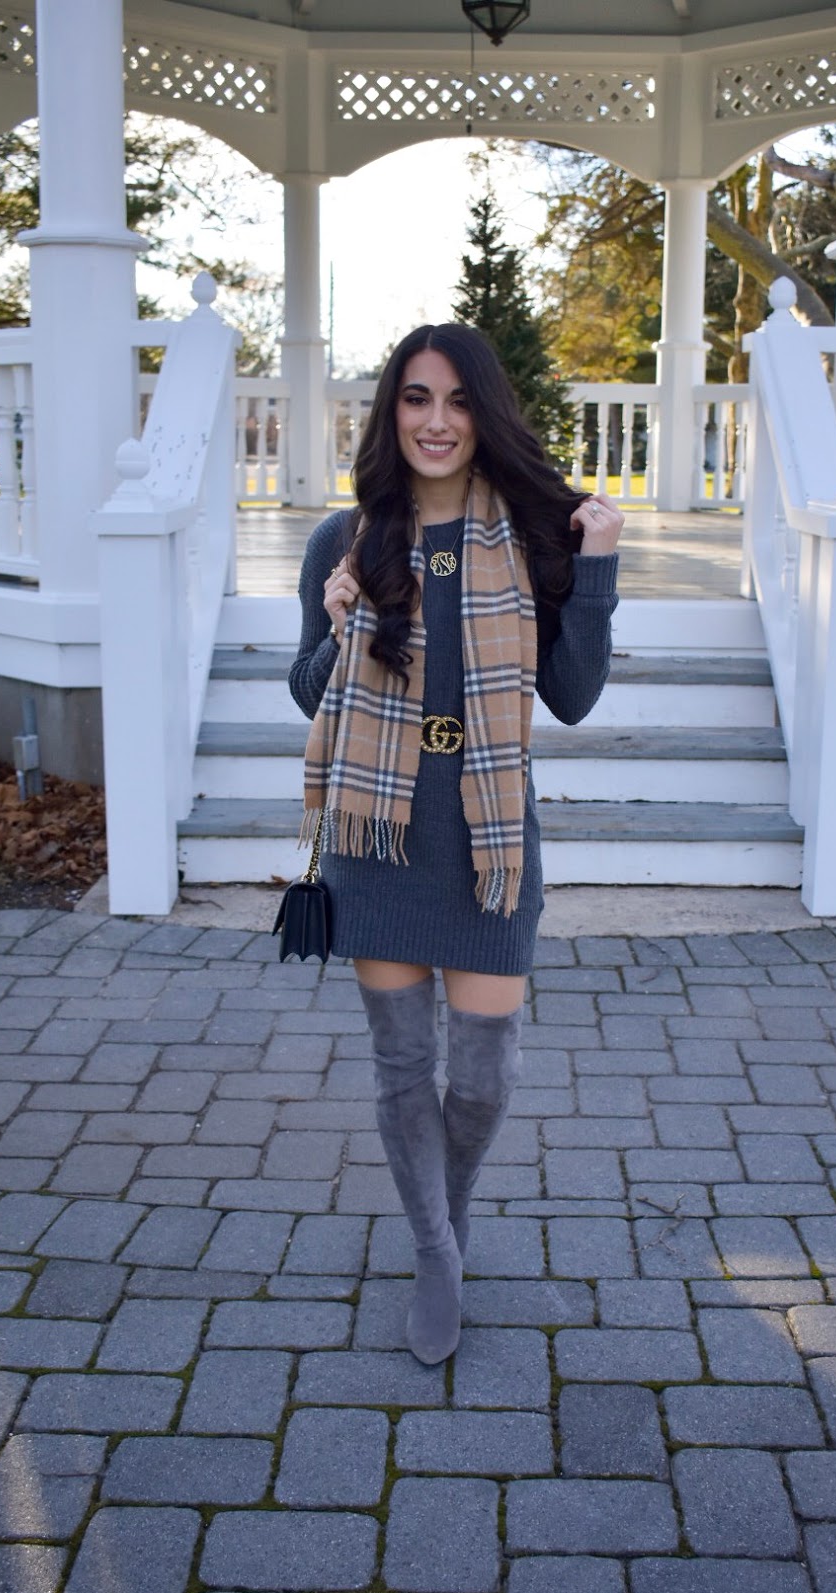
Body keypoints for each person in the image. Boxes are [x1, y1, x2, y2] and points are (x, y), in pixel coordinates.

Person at [289, 323, 622, 1364]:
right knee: (401, 1066)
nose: (436, 421)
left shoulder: (533, 540)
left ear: (486, 415)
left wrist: (599, 567)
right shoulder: (342, 540)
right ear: (391, 412)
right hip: (376, 831)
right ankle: (437, 1251)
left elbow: (568, 697)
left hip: (487, 831)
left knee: (479, 1079)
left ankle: (445, 1214)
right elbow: (306, 693)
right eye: (415, 399)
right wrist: (340, 619)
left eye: (458, 401)